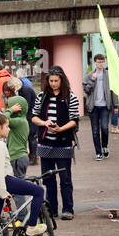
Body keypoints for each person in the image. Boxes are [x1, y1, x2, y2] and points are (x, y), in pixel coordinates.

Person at [0, 110, 47, 235]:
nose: (9, 129)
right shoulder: (0, 146)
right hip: (4, 181)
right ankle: (32, 226)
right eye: (7, 126)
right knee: (39, 191)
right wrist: (3, 191)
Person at [30, 68, 80, 220]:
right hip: (45, 143)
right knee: (48, 178)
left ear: (62, 80)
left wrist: (60, 129)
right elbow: (33, 117)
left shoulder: (70, 97)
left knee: (65, 178)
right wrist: (44, 123)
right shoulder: (42, 96)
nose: (53, 84)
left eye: (56, 81)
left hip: (64, 142)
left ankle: (68, 209)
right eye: (51, 81)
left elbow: (74, 120)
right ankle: (52, 209)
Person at [82, 54, 115, 160]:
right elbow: (86, 90)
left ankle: (105, 146)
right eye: (98, 62)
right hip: (93, 107)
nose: (100, 64)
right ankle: (98, 152)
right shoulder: (89, 75)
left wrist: (116, 105)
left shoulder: (108, 75)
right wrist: (92, 80)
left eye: (102, 61)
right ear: (95, 62)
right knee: (95, 130)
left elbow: (113, 90)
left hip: (105, 106)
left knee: (105, 128)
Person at [3, 79, 31, 177]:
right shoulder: (22, 119)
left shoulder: (18, 122)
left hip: (17, 158)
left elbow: (1, 119)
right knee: (17, 186)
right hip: (19, 157)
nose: (8, 108)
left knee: (17, 188)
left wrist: (10, 110)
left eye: (10, 106)